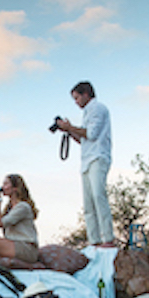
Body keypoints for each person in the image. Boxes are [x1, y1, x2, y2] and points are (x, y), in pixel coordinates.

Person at [56, 81, 115, 247]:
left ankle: (108, 238)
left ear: (85, 94)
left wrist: (71, 126)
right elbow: (83, 139)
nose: (76, 102)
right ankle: (94, 240)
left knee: (98, 195)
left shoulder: (98, 108)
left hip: (98, 157)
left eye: (76, 98)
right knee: (88, 202)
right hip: (87, 160)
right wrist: (68, 130)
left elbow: (91, 134)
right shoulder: (88, 113)